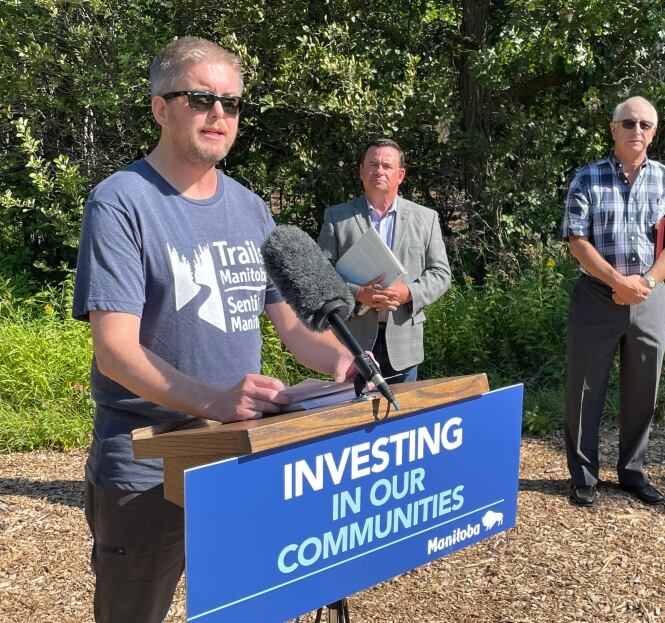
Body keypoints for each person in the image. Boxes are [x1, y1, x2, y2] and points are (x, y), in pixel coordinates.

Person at [72, 37, 357, 623]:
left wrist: (344, 362)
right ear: (160, 107)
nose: (219, 115)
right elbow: (115, 351)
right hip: (145, 463)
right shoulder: (121, 202)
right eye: (201, 99)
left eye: (231, 104)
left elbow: (295, 328)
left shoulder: (252, 208)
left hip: (241, 454)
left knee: (246, 608)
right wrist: (218, 401)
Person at [560, 96, 665, 507]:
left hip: (650, 297)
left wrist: (644, 283)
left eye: (645, 124)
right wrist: (617, 281)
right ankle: (583, 475)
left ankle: (632, 471)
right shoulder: (587, 178)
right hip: (597, 295)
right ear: (613, 129)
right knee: (584, 388)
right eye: (629, 123)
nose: (637, 131)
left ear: (654, 132)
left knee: (643, 389)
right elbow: (576, 240)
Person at [317, 138, 451, 383]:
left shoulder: (426, 218)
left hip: (404, 342)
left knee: (404, 418)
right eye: (372, 164)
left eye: (386, 166)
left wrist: (408, 292)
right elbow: (321, 274)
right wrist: (358, 293)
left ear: (400, 175)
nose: (379, 171)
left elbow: (441, 274)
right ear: (361, 171)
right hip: (352, 341)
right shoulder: (337, 217)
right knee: (354, 416)